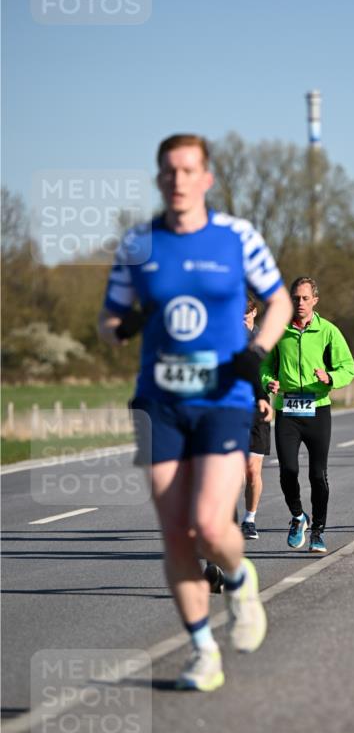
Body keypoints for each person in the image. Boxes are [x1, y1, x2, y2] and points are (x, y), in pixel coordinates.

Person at [98, 134, 292, 692]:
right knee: (177, 535)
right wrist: (125, 325)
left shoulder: (237, 237)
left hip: (224, 398)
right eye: (169, 171)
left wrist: (255, 352)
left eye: (189, 171)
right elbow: (107, 319)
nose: (178, 180)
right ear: (159, 178)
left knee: (210, 525)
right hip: (159, 403)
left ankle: (238, 575)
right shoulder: (138, 243)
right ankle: (203, 651)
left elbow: (276, 299)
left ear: (206, 178)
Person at [261, 276, 354, 554]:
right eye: (295, 298)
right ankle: (298, 515)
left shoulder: (328, 332)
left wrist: (330, 378)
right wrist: (269, 381)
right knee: (288, 469)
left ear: (315, 300)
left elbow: (348, 368)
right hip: (287, 409)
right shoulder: (278, 331)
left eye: (305, 298)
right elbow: (264, 365)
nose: (300, 303)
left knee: (318, 475)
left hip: (318, 408)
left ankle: (318, 531)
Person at [240, 295, 273, 538]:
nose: (242, 318)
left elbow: (275, 368)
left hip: (258, 410)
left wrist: (273, 383)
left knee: (253, 470)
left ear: (254, 313)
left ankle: (249, 519)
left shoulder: (266, 340)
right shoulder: (227, 339)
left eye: (246, 312)